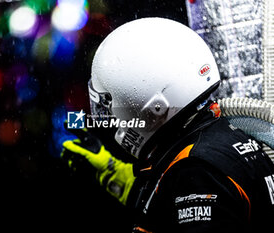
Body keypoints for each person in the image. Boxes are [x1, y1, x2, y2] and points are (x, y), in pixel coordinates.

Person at [61, 18, 274, 232]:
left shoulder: (196, 171)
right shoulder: (215, 141)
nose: (110, 118)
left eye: (109, 104)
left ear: (155, 107)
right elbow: (168, 203)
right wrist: (114, 173)